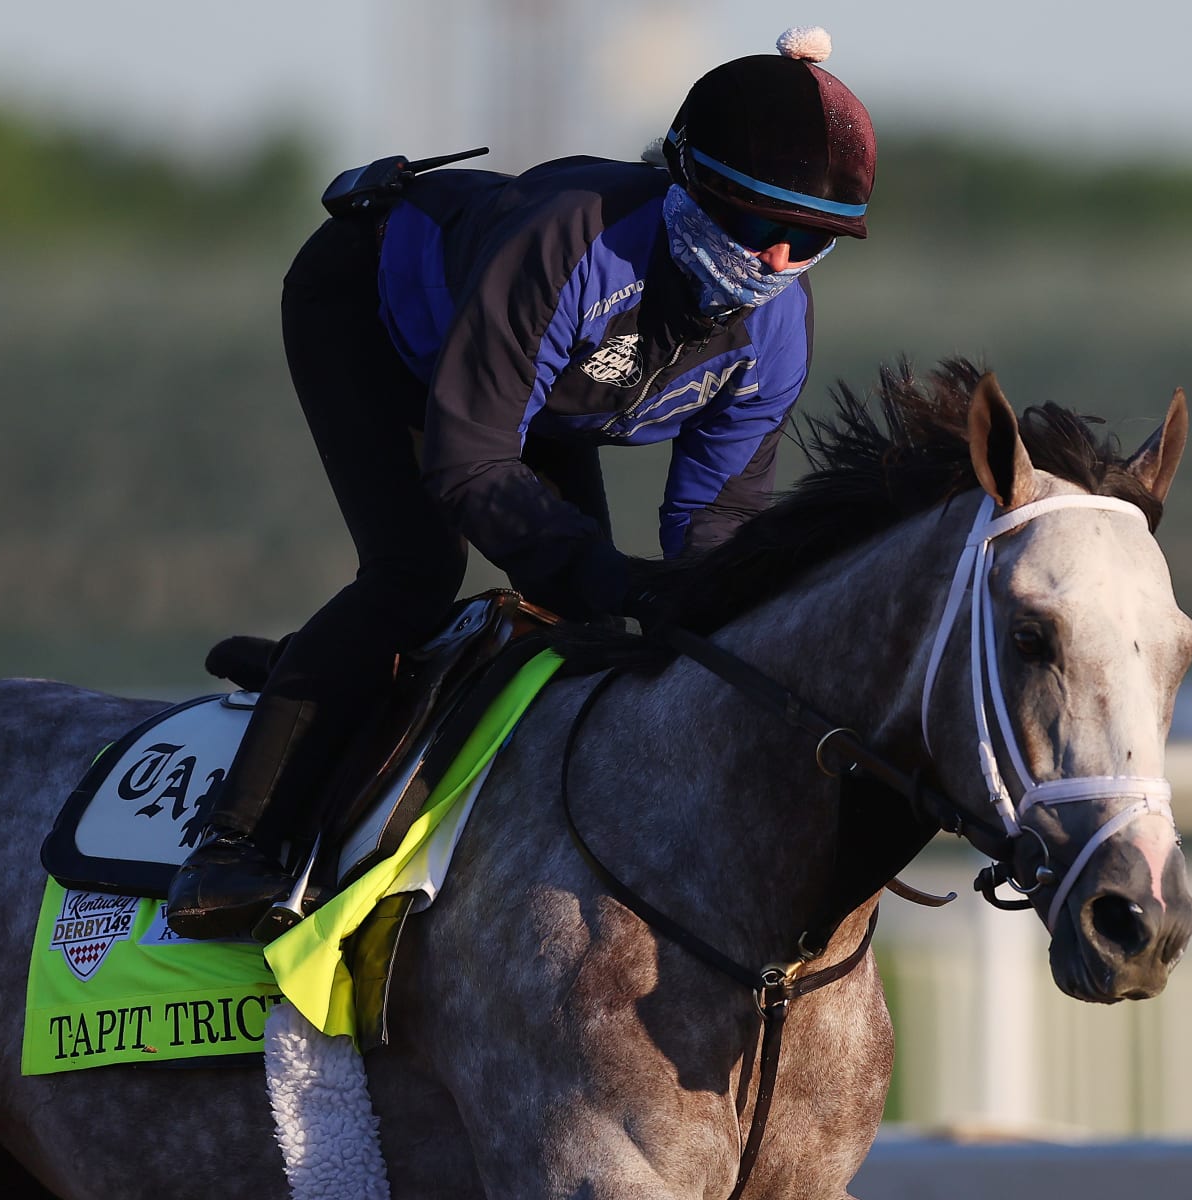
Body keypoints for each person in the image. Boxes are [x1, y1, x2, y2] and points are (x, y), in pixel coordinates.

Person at [167, 26, 878, 939]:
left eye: (813, 239)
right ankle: (239, 840)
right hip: (373, 313)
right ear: (688, 185)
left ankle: (359, 685)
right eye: (758, 224)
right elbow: (468, 462)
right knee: (416, 570)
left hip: (547, 396)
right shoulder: (571, 246)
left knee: (591, 622)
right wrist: (619, 578)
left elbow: (717, 523)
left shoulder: (777, 336)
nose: (779, 262)